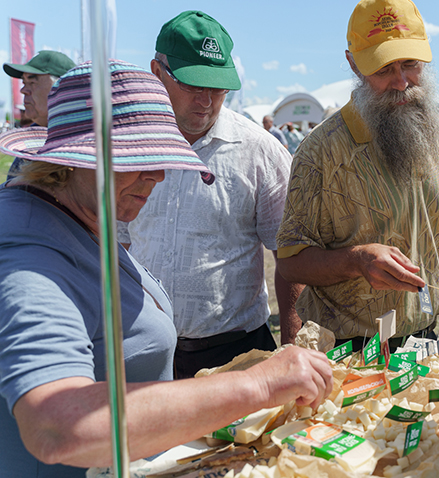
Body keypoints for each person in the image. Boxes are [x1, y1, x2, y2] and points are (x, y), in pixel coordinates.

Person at [0, 60, 332, 478]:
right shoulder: (29, 248)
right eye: (137, 159)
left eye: (161, 158)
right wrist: (258, 385)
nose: (156, 175)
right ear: (75, 160)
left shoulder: (77, 216)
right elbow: (56, 424)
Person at [276, 0, 439, 352]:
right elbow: (291, 263)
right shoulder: (319, 151)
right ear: (354, 64)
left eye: (411, 64)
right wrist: (355, 260)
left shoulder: (438, 132)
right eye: (384, 69)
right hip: (345, 350)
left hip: (424, 343)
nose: (401, 82)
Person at [118, 10, 302, 379]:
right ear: (157, 73)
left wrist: (292, 347)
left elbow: (291, 255)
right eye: (192, 85)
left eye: (217, 87)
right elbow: (118, 247)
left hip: (235, 356)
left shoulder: (259, 151)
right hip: (144, 352)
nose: (206, 99)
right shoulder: (130, 148)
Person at [3, 50, 76, 178]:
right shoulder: (31, 137)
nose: (23, 90)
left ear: (62, 87)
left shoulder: (83, 143)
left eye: (32, 83)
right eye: (24, 83)